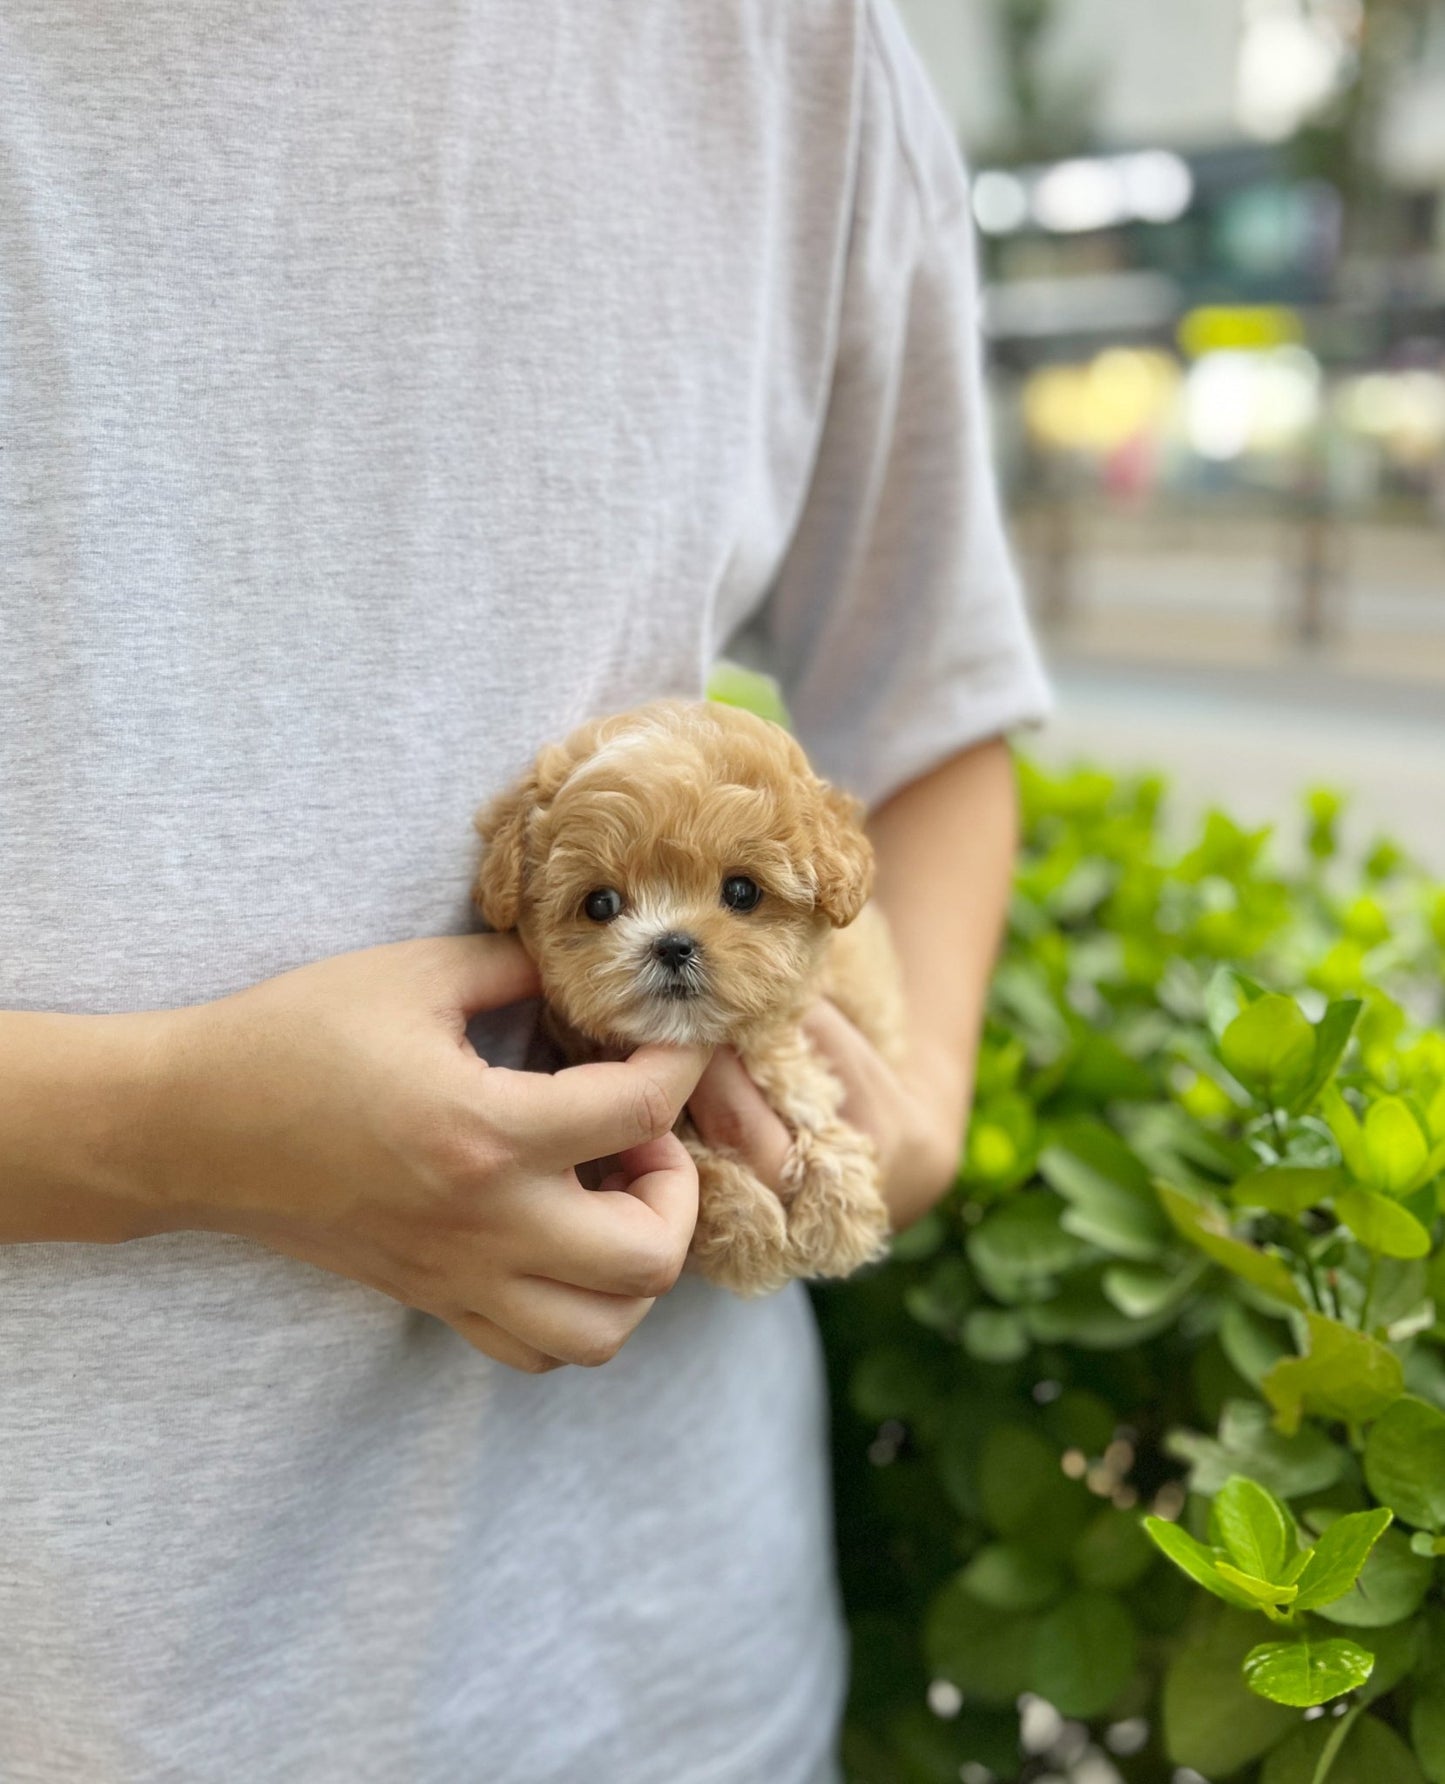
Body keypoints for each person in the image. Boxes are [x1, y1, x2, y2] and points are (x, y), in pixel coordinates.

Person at [0, 2, 1049, 1779]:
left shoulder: (782, 43)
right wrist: (159, 1130)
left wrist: (911, 1103)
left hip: (659, 1672)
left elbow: (937, 698)